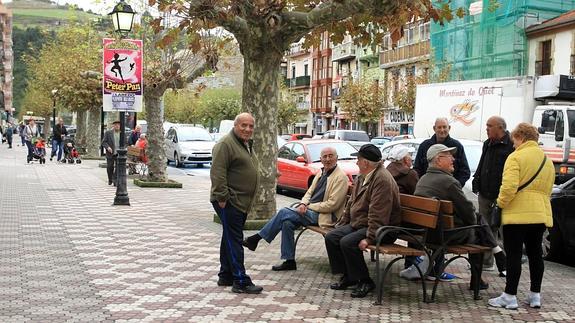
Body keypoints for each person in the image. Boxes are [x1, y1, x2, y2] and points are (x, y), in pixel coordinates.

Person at [405, 144, 504, 289]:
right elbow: (469, 215)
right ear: (438, 160)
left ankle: (497, 252)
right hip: (445, 236)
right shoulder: (449, 182)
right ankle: (481, 275)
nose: (453, 159)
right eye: (449, 156)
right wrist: (472, 218)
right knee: (478, 230)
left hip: (428, 234)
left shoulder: (423, 179)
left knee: (478, 221)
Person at [243, 146, 349, 271]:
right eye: (325, 157)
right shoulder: (321, 172)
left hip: (324, 216)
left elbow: (333, 204)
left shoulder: (341, 177)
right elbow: (309, 192)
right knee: (287, 223)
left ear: (336, 158)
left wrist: (308, 206)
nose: (328, 159)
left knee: (283, 212)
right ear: (320, 159)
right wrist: (303, 204)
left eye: (331, 156)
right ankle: (289, 261)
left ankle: (256, 239)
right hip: (310, 211)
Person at [488, 123, 554, 310]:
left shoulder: (515, 157)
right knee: (535, 255)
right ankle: (535, 295)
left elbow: (508, 188)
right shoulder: (546, 161)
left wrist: (500, 203)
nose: (513, 144)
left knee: (514, 256)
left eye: (515, 140)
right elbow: (548, 189)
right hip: (540, 214)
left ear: (521, 137)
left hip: (517, 215)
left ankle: (509, 296)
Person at [325, 144, 401, 298]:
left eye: (358, 159)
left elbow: (378, 214)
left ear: (366, 162)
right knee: (332, 237)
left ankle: (365, 280)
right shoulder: (362, 176)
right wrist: (341, 224)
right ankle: (349, 276)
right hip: (361, 224)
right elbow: (351, 204)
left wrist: (369, 238)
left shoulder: (382, 180)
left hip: (383, 229)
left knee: (347, 242)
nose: (356, 162)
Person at [210, 112, 263, 294]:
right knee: (235, 239)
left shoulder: (245, 144)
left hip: (240, 201)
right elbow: (217, 172)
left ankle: (225, 275)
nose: (248, 129)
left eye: (251, 126)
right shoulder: (226, 144)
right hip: (230, 201)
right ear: (235, 125)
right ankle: (240, 279)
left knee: (229, 237)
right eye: (244, 125)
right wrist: (223, 198)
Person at [472, 116, 514, 275]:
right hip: (485, 192)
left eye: (490, 126)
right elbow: (482, 163)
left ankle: (506, 264)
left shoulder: (510, 145)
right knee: (485, 228)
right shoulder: (487, 143)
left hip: (501, 194)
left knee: (504, 230)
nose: (487, 128)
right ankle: (487, 262)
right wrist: (477, 179)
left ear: (500, 128)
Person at [413, 117, 470, 187]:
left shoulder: (457, 146)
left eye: (444, 127)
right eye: (439, 127)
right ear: (434, 128)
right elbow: (417, 169)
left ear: (449, 128)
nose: (442, 130)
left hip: (450, 192)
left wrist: (455, 186)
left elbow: (465, 172)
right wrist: (423, 185)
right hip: (429, 190)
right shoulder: (424, 146)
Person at [101, 120, 121, 186]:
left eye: (118, 125)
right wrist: (108, 147)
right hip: (110, 153)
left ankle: (115, 180)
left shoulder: (122, 133)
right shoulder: (108, 133)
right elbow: (103, 142)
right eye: (116, 125)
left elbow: (125, 142)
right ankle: (110, 179)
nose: (117, 126)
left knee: (118, 167)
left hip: (119, 153)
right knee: (110, 167)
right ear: (113, 125)